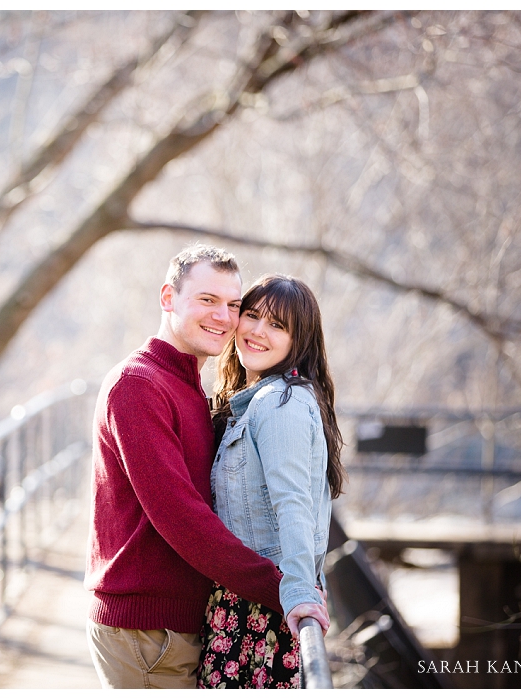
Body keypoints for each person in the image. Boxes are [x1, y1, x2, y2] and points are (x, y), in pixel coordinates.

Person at [85, 244, 286, 689]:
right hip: (147, 631)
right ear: (168, 297)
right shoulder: (138, 386)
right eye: (208, 300)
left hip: (175, 626)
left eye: (233, 305)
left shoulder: (188, 385)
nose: (223, 317)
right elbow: (181, 515)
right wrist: (281, 589)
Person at [196, 274, 341, 689]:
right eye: (253, 315)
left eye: (277, 325)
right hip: (244, 601)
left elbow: (294, 505)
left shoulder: (282, 403)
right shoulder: (257, 400)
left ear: (299, 341)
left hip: (262, 609)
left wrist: (300, 591)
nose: (258, 331)